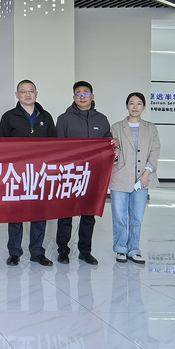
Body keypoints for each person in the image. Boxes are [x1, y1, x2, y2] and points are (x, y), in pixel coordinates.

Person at [0, 79, 57, 266]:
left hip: (40, 173)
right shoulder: (8, 117)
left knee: (39, 213)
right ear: (17, 95)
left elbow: (55, 145)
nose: (27, 94)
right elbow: (0, 146)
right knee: (16, 213)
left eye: (31, 91)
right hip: (16, 173)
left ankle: (37, 252)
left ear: (36, 94)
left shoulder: (46, 117)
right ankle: (14, 252)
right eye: (23, 91)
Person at [55, 81, 111, 265]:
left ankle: (85, 251)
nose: (82, 96)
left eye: (85, 93)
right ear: (73, 97)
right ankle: (63, 250)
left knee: (88, 214)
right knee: (65, 214)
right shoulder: (64, 119)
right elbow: (58, 148)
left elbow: (107, 144)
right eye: (78, 93)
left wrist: (113, 144)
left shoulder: (101, 119)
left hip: (93, 175)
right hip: (69, 174)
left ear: (92, 97)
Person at [110, 92, 160, 265]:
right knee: (119, 215)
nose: (135, 106)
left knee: (137, 216)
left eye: (139, 103)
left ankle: (134, 249)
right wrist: (114, 150)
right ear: (127, 106)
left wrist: (147, 174)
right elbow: (114, 152)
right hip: (120, 177)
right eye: (131, 103)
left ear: (144, 107)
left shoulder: (151, 128)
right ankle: (121, 248)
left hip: (142, 178)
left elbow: (155, 151)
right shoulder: (117, 127)